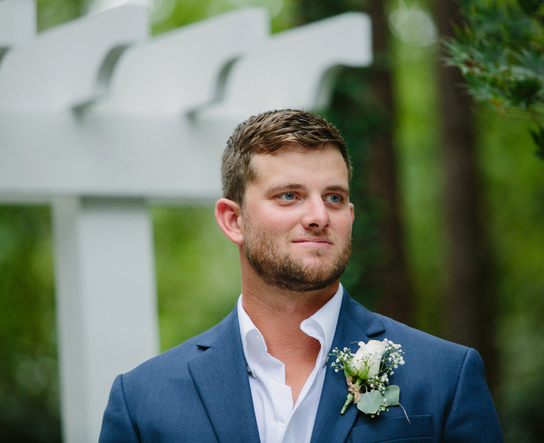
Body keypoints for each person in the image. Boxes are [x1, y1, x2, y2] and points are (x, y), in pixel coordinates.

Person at [99, 109, 504, 442]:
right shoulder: (142, 401)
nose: (318, 217)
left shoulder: (446, 376)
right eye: (289, 196)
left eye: (334, 197)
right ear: (233, 220)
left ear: (351, 214)